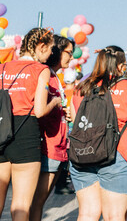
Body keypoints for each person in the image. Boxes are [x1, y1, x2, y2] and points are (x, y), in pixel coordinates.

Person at [69, 46, 127, 221]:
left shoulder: (82, 88)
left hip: (83, 153)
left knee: (87, 213)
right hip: (117, 154)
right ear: (120, 66)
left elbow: (74, 119)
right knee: (114, 216)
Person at [0, 28, 61, 221]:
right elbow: (40, 110)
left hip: (2, 130)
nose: (52, 53)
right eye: (50, 48)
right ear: (40, 46)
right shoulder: (40, 70)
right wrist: (56, 101)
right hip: (25, 132)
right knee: (21, 205)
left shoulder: (2, 67)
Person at [30, 35, 73, 221]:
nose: (72, 57)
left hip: (58, 146)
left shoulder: (55, 76)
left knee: (40, 201)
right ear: (57, 51)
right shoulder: (44, 74)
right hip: (47, 146)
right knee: (36, 202)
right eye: (68, 52)